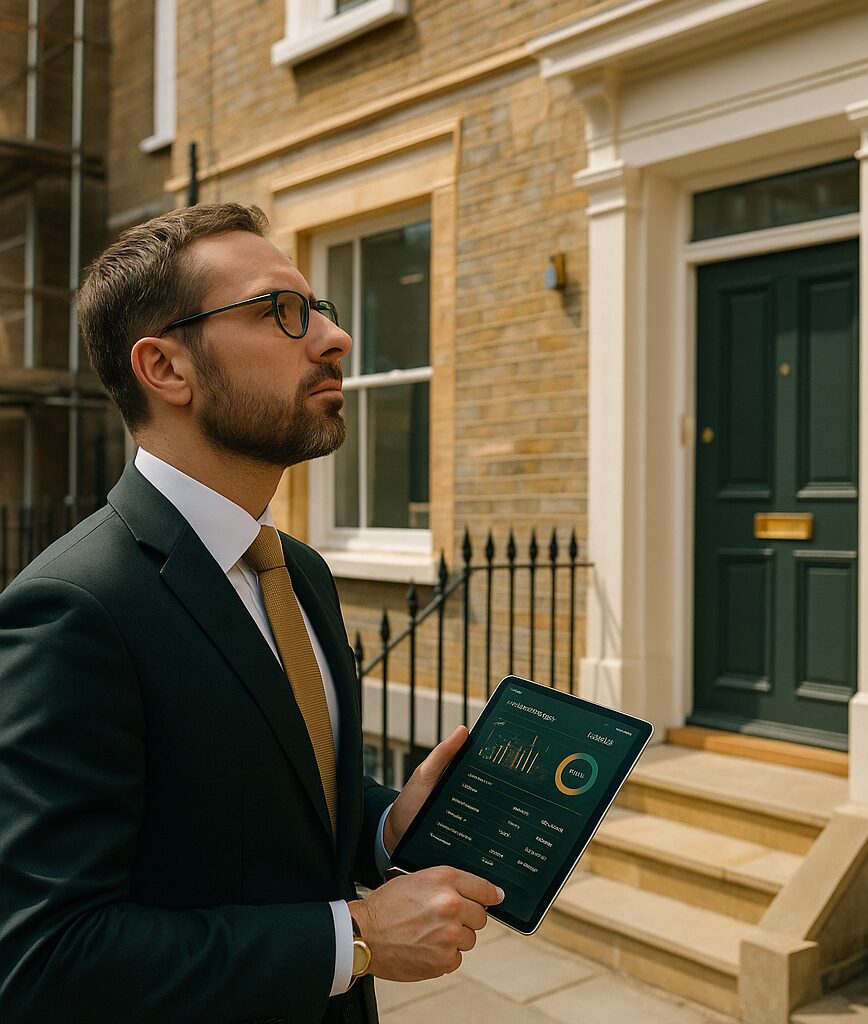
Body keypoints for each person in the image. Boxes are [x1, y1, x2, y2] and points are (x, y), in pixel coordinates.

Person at [0, 203, 503, 1024]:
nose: (333, 339)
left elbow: (270, 808)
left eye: (321, 311)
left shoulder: (298, 570)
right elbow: (46, 959)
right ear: (166, 368)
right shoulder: (73, 609)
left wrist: (386, 829)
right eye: (280, 313)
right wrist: (357, 938)